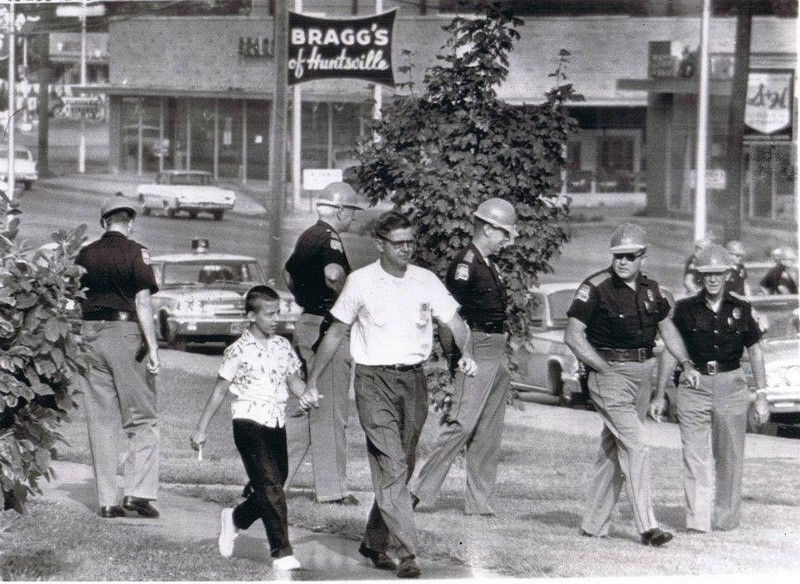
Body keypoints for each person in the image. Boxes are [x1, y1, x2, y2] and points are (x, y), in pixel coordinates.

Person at [304, 211, 477, 579]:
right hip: (372, 382)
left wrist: (466, 355)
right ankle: (408, 553)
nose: (407, 250)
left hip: (413, 381)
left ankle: (372, 541)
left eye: (411, 242)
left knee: (401, 466)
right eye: (398, 243)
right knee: (393, 464)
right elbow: (335, 333)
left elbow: (456, 323)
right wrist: (312, 380)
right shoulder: (361, 282)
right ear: (380, 245)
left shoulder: (425, 280)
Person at [564, 222, 700, 547]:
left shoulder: (653, 290)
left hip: (642, 372)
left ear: (642, 256)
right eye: (617, 256)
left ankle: (593, 525)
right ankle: (648, 527)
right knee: (637, 445)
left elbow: (667, 331)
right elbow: (572, 335)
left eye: (629, 256)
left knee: (615, 449)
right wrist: (601, 368)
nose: (622, 262)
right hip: (609, 373)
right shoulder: (595, 287)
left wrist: (686, 362)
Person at [189, 286, 317, 571]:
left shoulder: (282, 346)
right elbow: (220, 391)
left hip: (275, 421)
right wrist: (201, 428)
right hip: (247, 421)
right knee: (271, 485)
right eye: (270, 314)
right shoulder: (238, 350)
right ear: (251, 316)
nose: (276, 319)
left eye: (278, 314)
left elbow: (293, 381)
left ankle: (234, 519)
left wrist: (305, 394)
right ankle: (282, 552)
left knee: (274, 482)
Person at [408, 198, 516, 516]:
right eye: (503, 233)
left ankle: (478, 503)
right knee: (463, 424)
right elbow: (448, 318)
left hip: (496, 348)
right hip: (476, 347)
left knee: (488, 430)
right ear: (487, 227)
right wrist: (459, 358)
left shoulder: (487, 263)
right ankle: (416, 491)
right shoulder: (466, 265)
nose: (506, 241)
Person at [650, 244, 766, 533]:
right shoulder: (685, 309)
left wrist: (762, 394)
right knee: (695, 455)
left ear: (727, 274)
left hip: (732, 386)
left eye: (718, 273)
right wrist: (659, 393)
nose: (712, 279)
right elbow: (669, 352)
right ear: (699, 276)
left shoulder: (742, 308)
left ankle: (726, 520)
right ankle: (698, 522)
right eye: (706, 274)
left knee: (729, 456)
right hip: (694, 386)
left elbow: (756, 352)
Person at [75, 195, 161, 519]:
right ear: (130, 222)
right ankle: (138, 494)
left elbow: (73, 298)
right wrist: (152, 347)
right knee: (142, 418)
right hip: (125, 335)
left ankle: (108, 501)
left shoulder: (85, 253)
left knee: (101, 421)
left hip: (89, 336)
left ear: (104, 223)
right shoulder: (136, 251)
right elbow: (142, 302)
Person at [282, 181, 363, 505]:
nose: (353, 219)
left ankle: (273, 480)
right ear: (341, 210)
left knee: (305, 407)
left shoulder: (307, 235)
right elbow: (333, 274)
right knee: (329, 410)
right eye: (352, 212)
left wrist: (307, 296)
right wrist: (347, 302)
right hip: (326, 328)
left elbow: (289, 276)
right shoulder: (330, 238)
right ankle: (333, 491)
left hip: (306, 322)